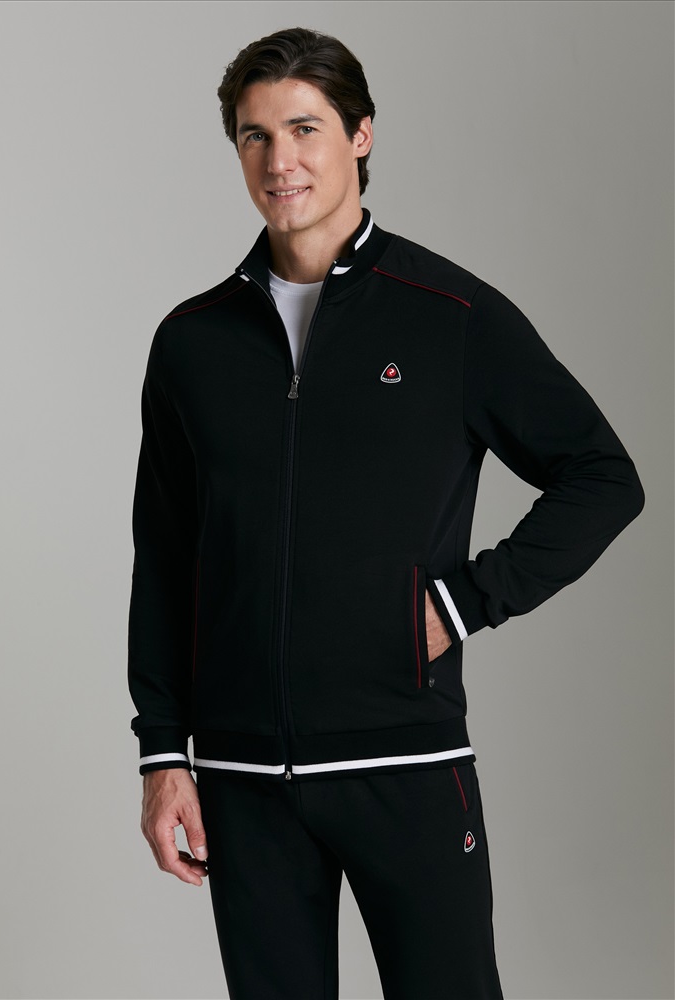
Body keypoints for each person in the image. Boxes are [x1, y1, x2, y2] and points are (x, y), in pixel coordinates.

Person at [128, 27, 644, 1000]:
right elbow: (164, 557)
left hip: (404, 760)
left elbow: (603, 476)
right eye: (255, 135)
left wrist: (461, 605)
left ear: (360, 134)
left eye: (305, 128)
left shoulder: (447, 315)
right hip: (243, 780)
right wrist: (163, 752)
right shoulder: (192, 343)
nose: (280, 161)